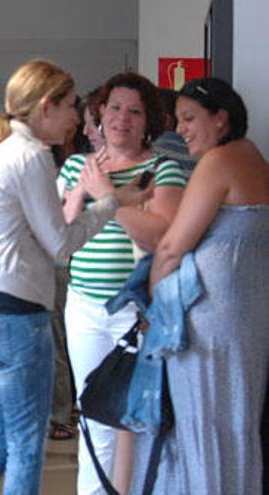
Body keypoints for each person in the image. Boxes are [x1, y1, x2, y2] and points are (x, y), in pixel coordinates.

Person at [0, 59, 150, 495]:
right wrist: (110, 203)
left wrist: (99, 200)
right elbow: (59, 245)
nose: (80, 118)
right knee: (25, 446)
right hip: (11, 319)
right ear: (45, 106)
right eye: (72, 106)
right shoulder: (31, 154)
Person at [136, 78, 269, 494]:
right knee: (234, 428)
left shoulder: (220, 162)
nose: (182, 130)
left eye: (191, 118)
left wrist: (152, 304)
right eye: (178, 120)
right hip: (244, 322)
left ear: (221, 118)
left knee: (203, 428)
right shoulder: (253, 158)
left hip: (208, 324)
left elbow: (173, 245)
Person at [59, 72, 186, 495]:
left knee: (138, 417)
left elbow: (161, 237)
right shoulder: (78, 166)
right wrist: (92, 191)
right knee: (94, 414)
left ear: (149, 119)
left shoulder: (162, 168)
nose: (122, 118)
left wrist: (107, 196)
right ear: (99, 112)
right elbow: (59, 238)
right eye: (115, 107)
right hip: (84, 308)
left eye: (135, 111)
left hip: (139, 314)